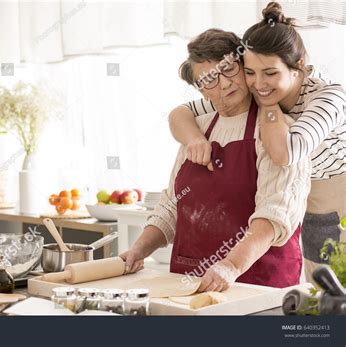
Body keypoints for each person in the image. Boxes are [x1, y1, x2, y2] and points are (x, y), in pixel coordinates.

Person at [167, 2, 345, 284]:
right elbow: (180, 113)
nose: (258, 82)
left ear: (298, 66)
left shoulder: (328, 97)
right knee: (318, 288)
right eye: (250, 72)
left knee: (336, 282)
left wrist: (267, 102)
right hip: (301, 186)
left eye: (270, 73)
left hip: (336, 187)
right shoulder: (248, 88)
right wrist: (195, 139)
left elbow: (286, 152)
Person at [120, 28, 311, 292]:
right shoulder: (196, 130)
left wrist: (229, 266)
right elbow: (172, 206)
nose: (224, 84)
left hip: (258, 285)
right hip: (190, 284)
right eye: (209, 80)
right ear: (201, 91)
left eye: (228, 69)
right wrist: (138, 250)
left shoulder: (276, 132)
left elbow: (273, 216)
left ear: (244, 66)